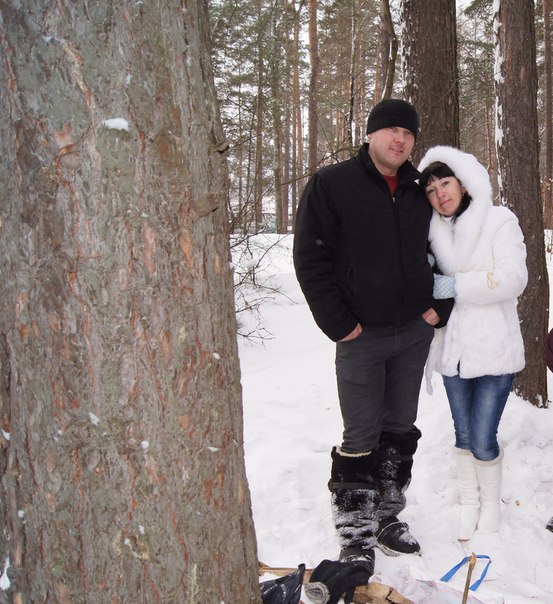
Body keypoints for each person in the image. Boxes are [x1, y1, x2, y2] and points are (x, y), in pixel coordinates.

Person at [293, 99, 451, 573]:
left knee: (399, 429)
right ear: (370, 134)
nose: (400, 139)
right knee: (360, 433)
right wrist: (338, 322)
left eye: (408, 133)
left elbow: (447, 250)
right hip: (360, 336)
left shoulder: (419, 190)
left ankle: (386, 516)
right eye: (391, 130)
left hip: (413, 332)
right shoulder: (332, 184)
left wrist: (440, 306)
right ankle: (355, 531)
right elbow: (310, 258)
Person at [418, 145, 527, 541]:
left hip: (494, 349)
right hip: (453, 351)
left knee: (482, 437)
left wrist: (456, 286)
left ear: (462, 184)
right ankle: (470, 501)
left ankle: (491, 502)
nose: (440, 195)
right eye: (431, 190)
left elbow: (514, 278)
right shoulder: (432, 232)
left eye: (445, 184)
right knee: (462, 434)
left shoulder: (498, 220)